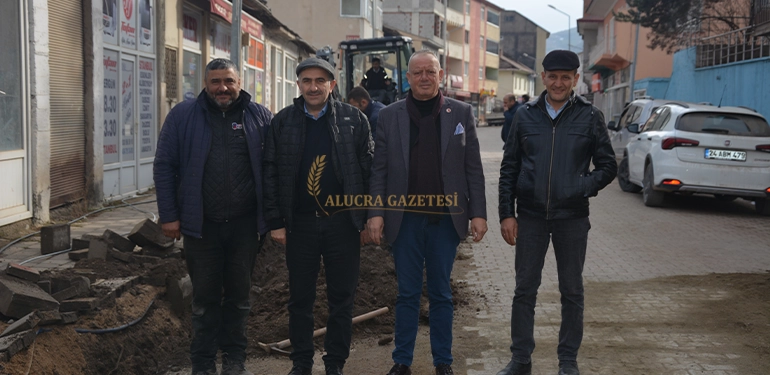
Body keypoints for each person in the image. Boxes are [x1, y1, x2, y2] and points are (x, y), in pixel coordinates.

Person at [496, 50, 617, 375]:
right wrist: (507, 213)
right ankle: (521, 359)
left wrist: (581, 186)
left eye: (566, 77)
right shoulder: (524, 116)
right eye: (553, 77)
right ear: (543, 77)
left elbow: (608, 166)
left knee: (572, 291)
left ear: (575, 79)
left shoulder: (590, 116)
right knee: (524, 290)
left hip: (572, 218)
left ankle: (568, 362)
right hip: (531, 216)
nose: (559, 83)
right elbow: (509, 167)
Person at [368, 50, 488, 375]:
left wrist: (478, 213)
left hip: (445, 220)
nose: (424, 77)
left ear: (440, 76)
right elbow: (379, 170)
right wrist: (375, 213)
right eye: (418, 72)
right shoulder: (389, 116)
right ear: (408, 78)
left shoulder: (461, 112)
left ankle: (443, 361)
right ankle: (402, 361)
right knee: (407, 293)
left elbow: (473, 167)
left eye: (430, 72)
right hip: (403, 220)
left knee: (441, 293)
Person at [154, 58, 272, 375]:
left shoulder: (259, 117)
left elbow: (273, 168)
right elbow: (164, 166)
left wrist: (273, 218)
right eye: (216, 81)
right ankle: (203, 364)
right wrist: (169, 215)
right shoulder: (183, 116)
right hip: (201, 226)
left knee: (239, 298)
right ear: (205, 84)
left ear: (239, 83)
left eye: (229, 81)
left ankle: (234, 362)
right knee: (204, 299)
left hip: (245, 227)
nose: (223, 87)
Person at [263, 57, 374, 375]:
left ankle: (335, 363)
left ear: (332, 85)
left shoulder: (354, 120)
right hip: (300, 224)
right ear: (298, 84)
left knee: (342, 298)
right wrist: (276, 222)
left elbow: (369, 171)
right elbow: (270, 172)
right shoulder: (283, 122)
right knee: (300, 298)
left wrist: (367, 218)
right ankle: (301, 363)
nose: (313, 87)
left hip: (343, 224)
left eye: (320, 81)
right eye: (307, 81)